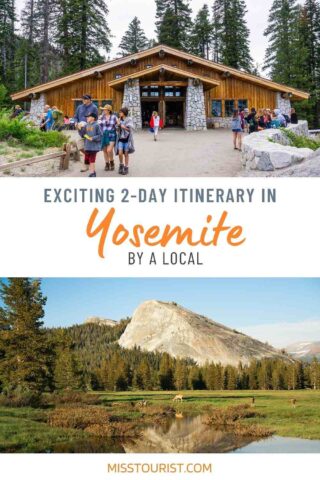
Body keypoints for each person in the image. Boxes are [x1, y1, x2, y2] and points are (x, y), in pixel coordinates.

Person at [81, 112, 102, 178]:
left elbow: (100, 135)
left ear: (93, 118)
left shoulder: (97, 125)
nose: (87, 118)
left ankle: (92, 173)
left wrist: (92, 138)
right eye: (86, 117)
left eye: (88, 117)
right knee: (88, 159)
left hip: (94, 146)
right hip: (87, 146)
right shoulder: (86, 125)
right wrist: (80, 128)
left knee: (92, 159)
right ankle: (92, 171)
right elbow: (83, 134)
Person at [115, 107, 135, 176]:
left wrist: (121, 125)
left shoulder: (129, 119)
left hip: (127, 140)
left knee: (126, 154)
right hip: (120, 139)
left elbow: (129, 129)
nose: (119, 113)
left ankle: (126, 167)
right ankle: (121, 165)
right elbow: (117, 130)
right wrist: (117, 125)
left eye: (120, 112)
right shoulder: (119, 119)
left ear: (124, 113)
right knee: (120, 153)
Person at [100, 104, 118, 171]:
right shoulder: (101, 117)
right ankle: (107, 164)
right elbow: (100, 126)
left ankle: (112, 162)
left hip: (111, 134)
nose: (103, 110)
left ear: (109, 110)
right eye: (103, 109)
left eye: (105, 109)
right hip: (104, 135)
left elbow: (117, 126)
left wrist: (118, 125)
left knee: (109, 150)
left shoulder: (114, 117)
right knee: (104, 150)